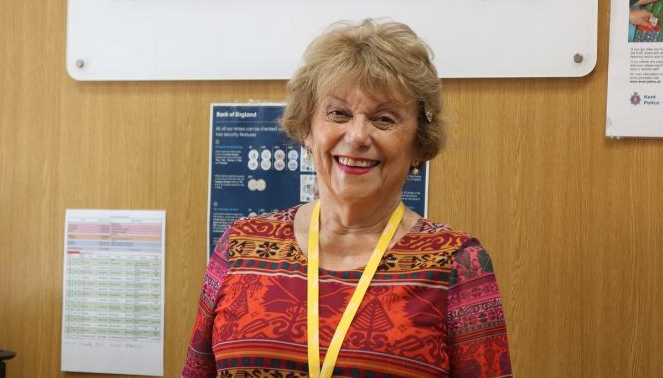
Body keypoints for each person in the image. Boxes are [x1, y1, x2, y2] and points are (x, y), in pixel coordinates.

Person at [182, 19, 512, 377]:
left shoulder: (457, 265)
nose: (356, 136)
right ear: (307, 129)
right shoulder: (240, 246)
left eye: (383, 119)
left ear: (419, 142)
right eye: (338, 113)